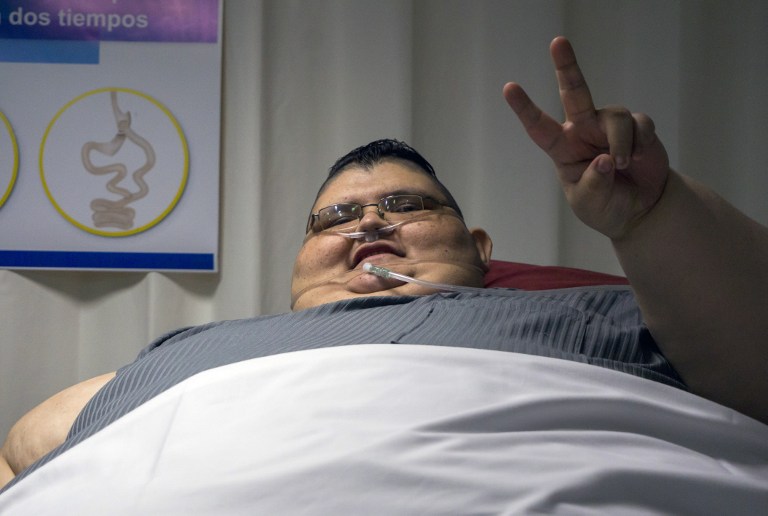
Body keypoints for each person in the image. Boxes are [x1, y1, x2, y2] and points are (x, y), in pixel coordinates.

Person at [1, 36, 766, 494]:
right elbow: (21, 453)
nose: (369, 220)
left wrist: (655, 214)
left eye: (409, 206)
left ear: (482, 250)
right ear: (298, 266)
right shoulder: (186, 353)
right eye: (336, 217)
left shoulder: (620, 314)